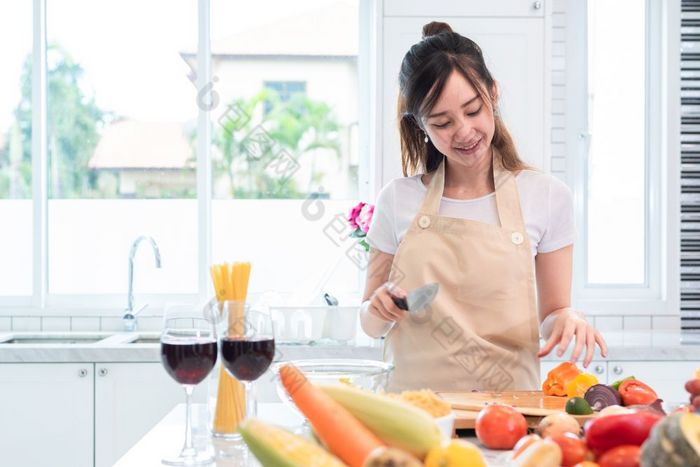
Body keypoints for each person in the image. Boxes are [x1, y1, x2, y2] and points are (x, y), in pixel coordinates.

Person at [360, 21, 608, 392]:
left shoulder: (547, 196)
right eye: (442, 123)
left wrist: (569, 318)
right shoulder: (396, 199)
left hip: (510, 415)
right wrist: (378, 309)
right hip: (414, 415)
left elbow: (552, 316)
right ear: (421, 126)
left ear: (493, 93)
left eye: (473, 110)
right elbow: (369, 323)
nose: (463, 132)